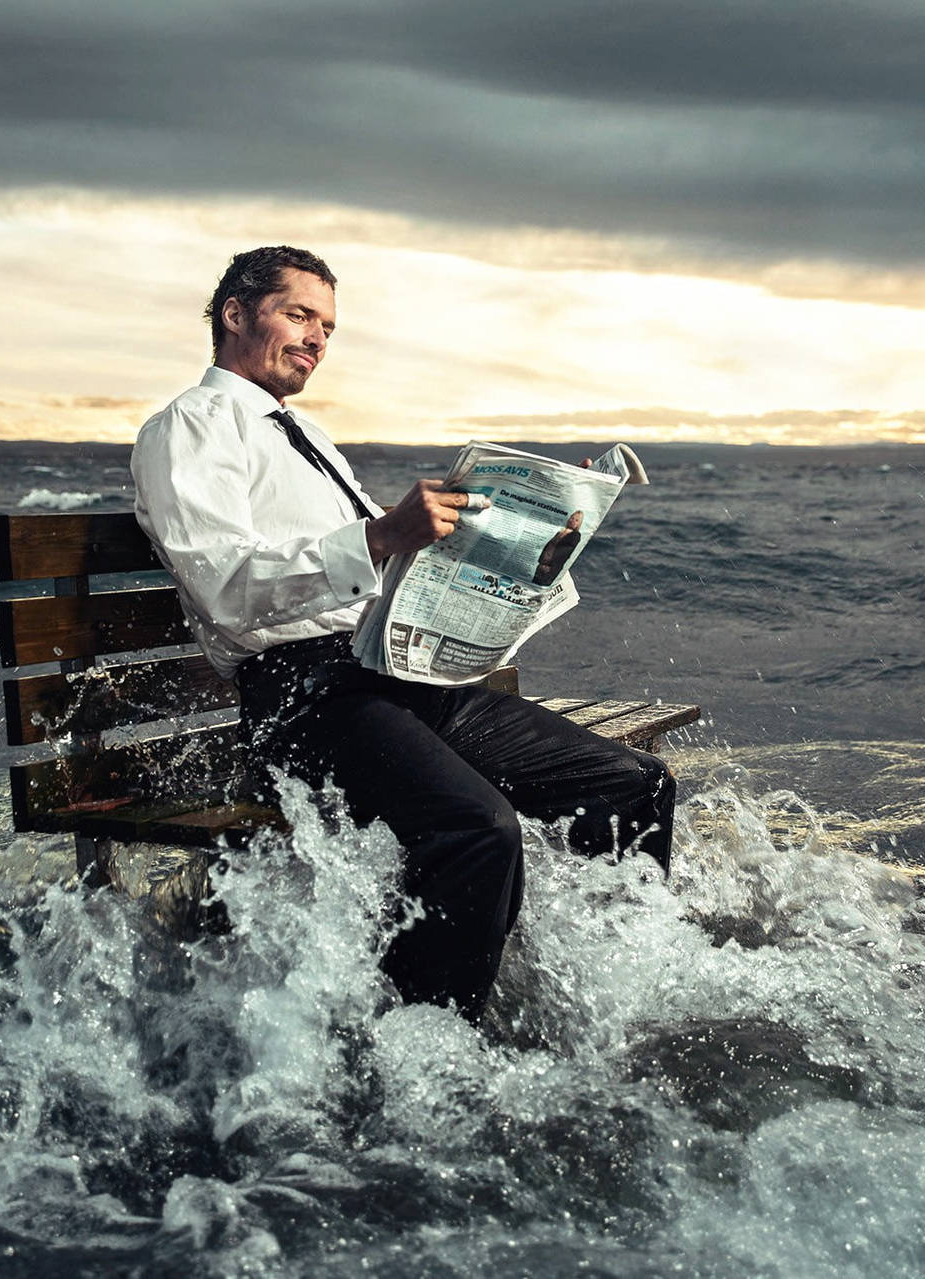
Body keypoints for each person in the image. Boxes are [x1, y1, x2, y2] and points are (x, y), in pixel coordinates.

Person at [130, 245, 675, 1021]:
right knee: (477, 829)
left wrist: (531, 539)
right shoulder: (190, 427)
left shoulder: (307, 432)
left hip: (396, 670)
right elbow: (222, 588)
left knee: (633, 785)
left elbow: (384, 569)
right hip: (304, 695)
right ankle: (422, 1046)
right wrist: (382, 535)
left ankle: (623, 991)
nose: (317, 338)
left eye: (328, 327)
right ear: (235, 315)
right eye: (299, 315)